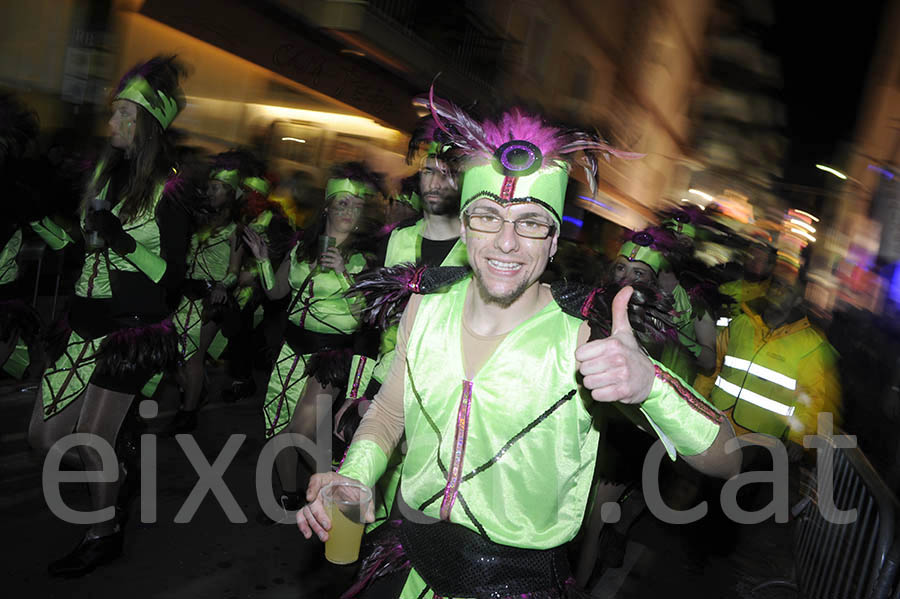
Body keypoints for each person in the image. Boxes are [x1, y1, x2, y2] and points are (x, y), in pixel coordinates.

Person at [297, 97, 740, 598]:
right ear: (465, 228)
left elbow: (728, 458)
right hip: (414, 574)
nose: (506, 242)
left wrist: (650, 386)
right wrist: (356, 474)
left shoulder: (582, 336)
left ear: (553, 242)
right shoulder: (425, 308)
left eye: (530, 222)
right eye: (487, 216)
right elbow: (389, 412)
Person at [27, 56, 191, 577]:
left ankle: (104, 531)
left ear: (148, 124)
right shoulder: (105, 172)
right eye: (114, 113)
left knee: (94, 438)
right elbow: (83, 246)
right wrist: (49, 229)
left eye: (125, 114)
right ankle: (118, 472)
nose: (114, 123)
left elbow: (169, 276)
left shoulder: (168, 189)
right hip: (83, 320)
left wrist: (119, 239)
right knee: (45, 439)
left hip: (131, 330)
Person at [242, 161, 381, 514]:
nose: (349, 211)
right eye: (342, 203)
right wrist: (261, 260)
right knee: (277, 428)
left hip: (329, 356)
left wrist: (344, 275)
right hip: (291, 349)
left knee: (299, 432)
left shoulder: (363, 259)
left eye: (356, 204)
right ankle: (292, 494)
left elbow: (364, 318)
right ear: (327, 206)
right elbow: (276, 294)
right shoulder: (303, 247)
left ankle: (340, 487)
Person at [704, 266, 841, 451]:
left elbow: (812, 396)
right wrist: (697, 400)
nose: (778, 291)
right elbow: (715, 365)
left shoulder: (809, 345)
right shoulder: (741, 323)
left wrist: (798, 438)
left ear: (797, 300)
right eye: (776, 284)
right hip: (713, 422)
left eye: (788, 289)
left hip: (759, 442)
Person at [163, 151, 246, 434]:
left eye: (216, 188)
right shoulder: (198, 220)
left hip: (210, 299)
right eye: (209, 186)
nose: (209, 192)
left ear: (230, 193)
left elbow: (235, 270)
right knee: (171, 353)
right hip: (183, 293)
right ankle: (195, 392)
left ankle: (187, 413)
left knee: (193, 357)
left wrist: (223, 285)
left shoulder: (236, 231)